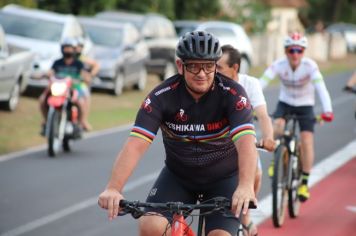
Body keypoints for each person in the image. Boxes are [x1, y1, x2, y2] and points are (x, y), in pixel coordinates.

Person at [98, 31, 258, 236]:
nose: (202, 73)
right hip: (179, 177)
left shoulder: (233, 94)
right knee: (150, 226)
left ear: (216, 66)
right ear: (180, 65)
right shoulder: (161, 97)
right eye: (193, 65)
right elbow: (135, 145)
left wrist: (245, 186)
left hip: (224, 179)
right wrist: (113, 188)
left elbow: (246, 143)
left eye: (209, 66)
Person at [259, 32, 334, 202]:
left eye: (299, 50)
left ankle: (304, 183)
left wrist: (328, 110)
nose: (295, 54)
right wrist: (248, 101)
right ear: (286, 51)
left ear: (303, 51)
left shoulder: (310, 66)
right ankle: (277, 156)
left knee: (307, 140)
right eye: (291, 50)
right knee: (276, 127)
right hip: (285, 103)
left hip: (305, 105)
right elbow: (261, 82)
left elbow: (321, 88)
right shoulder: (278, 64)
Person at [217, 44, 275, 236]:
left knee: (255, 175)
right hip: (216, 142)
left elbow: (263, 115)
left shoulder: (250, 84)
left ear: (235, 68)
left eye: (219, 68)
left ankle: (246, 216)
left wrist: (268, 137)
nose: (214, 72)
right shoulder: (212, 84)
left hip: (242, 140)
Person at [39, 38, 90, 134]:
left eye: (69, 48)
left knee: (80, 103)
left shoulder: (78, 64)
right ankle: (47, 121)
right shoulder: (57, 62)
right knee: (42, 100)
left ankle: (79, 124)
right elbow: (51, 72)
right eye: (65, 48)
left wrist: (85, 78)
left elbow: (85, 75)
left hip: (73, 88)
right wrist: (44, 74)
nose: (67, 50)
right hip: (58, 88)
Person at [74, 37, 100, 131]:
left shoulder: (82, 59)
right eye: (76, 46)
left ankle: (83, 120)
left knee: (85, 97)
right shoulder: (65, 58)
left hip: (78, 85)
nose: (78, 48)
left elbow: (96, 65)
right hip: (65, 85)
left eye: (80, 46)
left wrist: (90, 75)